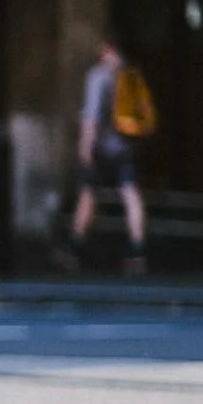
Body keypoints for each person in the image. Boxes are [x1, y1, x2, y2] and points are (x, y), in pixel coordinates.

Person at [55, 35, 148, 275]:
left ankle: (73, 249)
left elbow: (92, 118)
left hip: (102, 148)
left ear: (108, 48)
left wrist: (85, 147)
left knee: (87, 194)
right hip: (126, 146)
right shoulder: (131, 74)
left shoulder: (99, 76)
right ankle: (138, 253)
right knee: (130, 194)